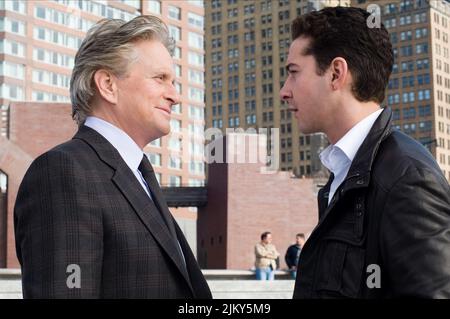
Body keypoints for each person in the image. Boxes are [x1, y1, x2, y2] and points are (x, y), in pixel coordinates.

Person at [14, 15, 212, 299]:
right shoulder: (64, 172)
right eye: (160, 79)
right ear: (108, 84)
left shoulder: (138, 174)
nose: (174, 96)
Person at [280, 7, 450, 298]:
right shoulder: (346, 174)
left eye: (294, 73)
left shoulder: (405, 178)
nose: (284, 91)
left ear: (336, 73)